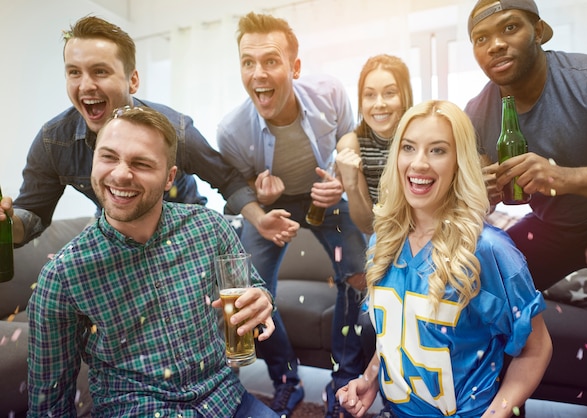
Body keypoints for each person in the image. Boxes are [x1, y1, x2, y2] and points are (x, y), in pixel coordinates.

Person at [27, 106, 278, 417]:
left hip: (225, 397)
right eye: (108, 157)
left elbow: (254, 287)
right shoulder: (62, 276)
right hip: (138, 409)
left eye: (141, 163)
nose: (120, 174)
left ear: (169, 177)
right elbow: (49, 406)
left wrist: (263, 299)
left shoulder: (210, 228)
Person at [0, 15, 297, 250]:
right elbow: (33, 215)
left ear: (133, 81)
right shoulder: (54, 141)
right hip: (118, 234)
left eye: (100, 71)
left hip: (184, 235)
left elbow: (227, 179)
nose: (85, 85)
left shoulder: (176, 130)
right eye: (74, 72)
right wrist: (7, 224)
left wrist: (260, 221)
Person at [336, 100, 552, 417]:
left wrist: (497, 413)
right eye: (408, 148)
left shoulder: (489, 250)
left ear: (458, 163)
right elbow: (397, 332)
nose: (419, 163)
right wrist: (370, 379)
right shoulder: (381, 240)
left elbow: (537, 348)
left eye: (437, 150)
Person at [217, 12, 367, 418]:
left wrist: (340, 177)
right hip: (271, 208)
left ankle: (345, 379)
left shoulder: (330, 93)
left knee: (357, 276)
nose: (258, 73)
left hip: (328, 198)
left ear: (294, 67)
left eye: (270, 61)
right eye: (248, 62)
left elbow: (348, 138)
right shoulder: (231, 131)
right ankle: (286, 378)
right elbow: (238, 188)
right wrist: (257, 191)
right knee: (246, 291)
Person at [464, 0, 587, 348]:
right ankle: (487, 401)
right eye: (481, 38)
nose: (495, 45)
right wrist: (483, 194)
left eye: (510, 28)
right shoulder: (476, 114)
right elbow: (478, 206)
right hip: (553, 229)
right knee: (471, 289)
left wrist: (564, 178)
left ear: (538, 32)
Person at [335, 54, 413, 235]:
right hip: (383, 241)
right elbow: (367, 227)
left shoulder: (422, 137)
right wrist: (351, 185)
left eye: (390, 93)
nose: (379, 104)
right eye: (369, 95)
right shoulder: (351, 145)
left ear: (406, 96)